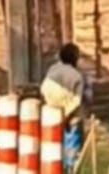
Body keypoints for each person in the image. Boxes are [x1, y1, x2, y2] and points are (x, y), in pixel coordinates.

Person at [40, 43, 87, 172]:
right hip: (70, 117)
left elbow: (44, 88)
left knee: (53, 150)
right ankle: (70, 168)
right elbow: (76, 101)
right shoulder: (76, 76)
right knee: (72, 150)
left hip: (51, 114)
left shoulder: (53, 69)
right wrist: (65, 115)